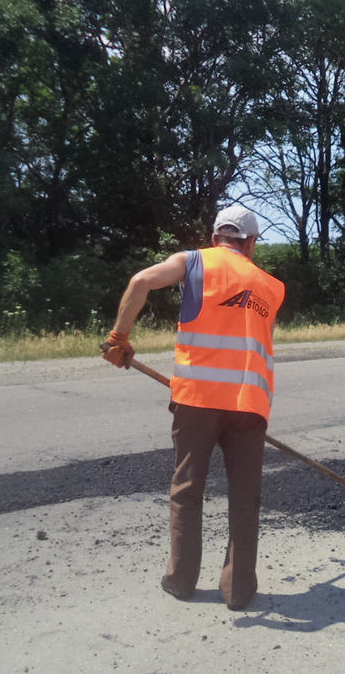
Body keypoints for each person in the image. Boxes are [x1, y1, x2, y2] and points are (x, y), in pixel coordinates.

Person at [101, 205, 285, 611]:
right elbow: (262, 343)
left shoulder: (192, 261)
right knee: (245, 495)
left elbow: (141, 281)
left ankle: (181, 581)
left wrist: (119, 337)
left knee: (187, 489)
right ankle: (238, 589)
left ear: (217, 234)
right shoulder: (272, 287)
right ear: (250, 242)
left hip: (197, 401)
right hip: (248, 406)